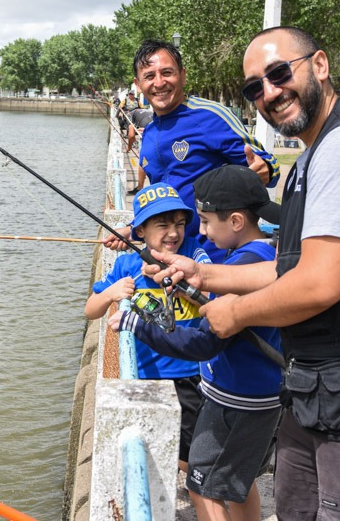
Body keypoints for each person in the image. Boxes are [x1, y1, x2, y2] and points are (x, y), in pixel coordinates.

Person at [145, 26, 340, 520]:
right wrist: (201, 273)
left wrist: (234, 314)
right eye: (254, 88)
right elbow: (290, 267)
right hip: (318, 394)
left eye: (279, 74)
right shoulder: (313, 157)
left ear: (319, 65)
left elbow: (320, 282)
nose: (270, 93)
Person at [109, 165, 282, 521]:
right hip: (262, 396)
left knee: (203, 486)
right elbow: (225, 302)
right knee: (238, 482)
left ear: (235, 221)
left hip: (237, 401)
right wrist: (191, 285)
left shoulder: (244, 264)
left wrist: (136, 324)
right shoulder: (263, 255)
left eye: (204, 221)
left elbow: (203, 344)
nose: (200, 232)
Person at [104, 39, 281, 261]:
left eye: (167, 73)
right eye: (149, 76)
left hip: (220, 258)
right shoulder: (148, 133)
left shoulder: (209, 115)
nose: (159, 83)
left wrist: (265, 169)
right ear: (138, 84)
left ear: (183, 75)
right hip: (176, 260)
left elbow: (269, 164)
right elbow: (162, 197)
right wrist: (132, 230)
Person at [85, 182, 210, 472]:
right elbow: (90, 310)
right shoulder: (127, 265)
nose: (174, 233)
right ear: (139, 231)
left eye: (180, 224)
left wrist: (175, 280)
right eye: (162, 225)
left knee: (190, 455)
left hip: (191, 373)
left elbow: (208, 283)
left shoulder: (194, 252)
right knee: (152, 448)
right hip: (146, 375)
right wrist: (111, 292)